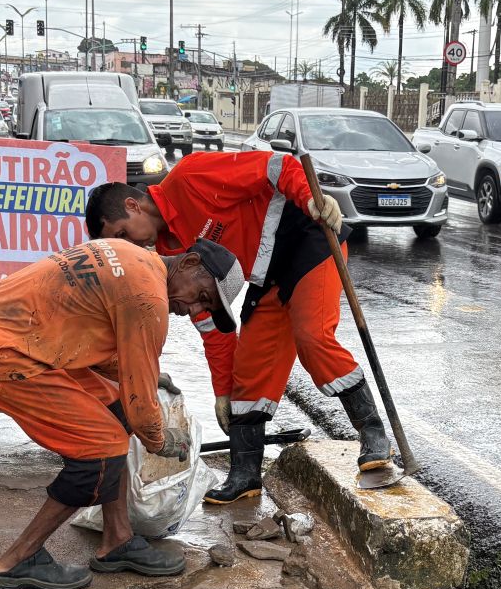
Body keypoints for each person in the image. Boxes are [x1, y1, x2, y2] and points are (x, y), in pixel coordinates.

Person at [84, 151, 392, 505]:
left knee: (312, 337)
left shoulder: (190, 177)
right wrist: (222, 391)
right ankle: (245, 475)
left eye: (124, 234)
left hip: (308, 240)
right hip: (267, 277)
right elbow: (212, 328)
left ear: (133, 206)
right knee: (248, 373)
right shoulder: (169, 253)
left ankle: (372, 435)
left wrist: (311, 197)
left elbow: (279, 167)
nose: (133, 246)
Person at [0, 235, 243, 589]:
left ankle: (117, 539)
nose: (193, 310)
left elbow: (89, 340)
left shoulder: (131, 255)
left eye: (204, 307)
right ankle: (18, 560)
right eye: (202, 297)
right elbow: (142, 407)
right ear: (189, 263)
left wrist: (138, 372)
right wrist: (162, 441)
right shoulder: (150, 298)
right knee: (100, 452)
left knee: (115, 415)